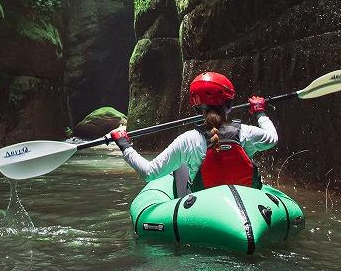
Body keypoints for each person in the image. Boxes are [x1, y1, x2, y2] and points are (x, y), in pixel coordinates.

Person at [108, 71, 277, 192]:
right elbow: (273, 138)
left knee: (180, 164)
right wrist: (259, 112)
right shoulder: (247, 133)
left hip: (204, 208)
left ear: (196, 108)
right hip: (247, 201)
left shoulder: (188, 140)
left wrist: (125, 146)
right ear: (229, 104)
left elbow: (149, 173)